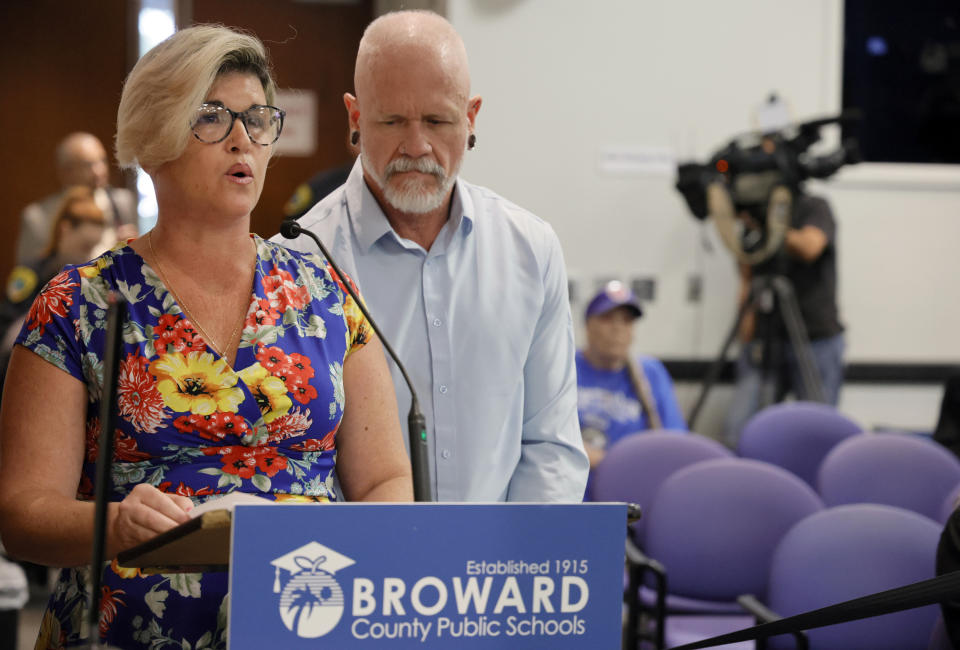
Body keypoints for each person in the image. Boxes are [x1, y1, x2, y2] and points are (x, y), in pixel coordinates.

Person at [0, 25, 412, 648]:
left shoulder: (327, 296)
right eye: (212, 117)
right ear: (151, 138)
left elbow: (385, 481)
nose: (243, 138)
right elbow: (22, 514)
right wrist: (114, 525)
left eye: (257, 119)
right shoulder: (78, 304)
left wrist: (355, 566)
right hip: (129, 627)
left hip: (307, 620)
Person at [276, 10, 588, 502]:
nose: (417, 146)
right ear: (356, 118)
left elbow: (550, 445)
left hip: (497, 571)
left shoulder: (531, 249)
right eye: (393, 120)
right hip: (359, 567)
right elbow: (294, 456)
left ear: (470, 119)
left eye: (438, 120)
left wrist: (513, 569)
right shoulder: (297, 262)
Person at [723, 191, 846, 447]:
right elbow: (746, 281)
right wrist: (746, 342)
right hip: (767, 339)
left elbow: (810, 247)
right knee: (741, 428)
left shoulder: (813, 206)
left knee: (818, 432)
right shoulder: (751, 227)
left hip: (816, 339)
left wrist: (771, 226)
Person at [0, 186, 108, 394]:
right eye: (86, 246)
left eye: (95, 247)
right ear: (65, 229)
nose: (90, 255)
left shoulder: (95, 280)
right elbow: (6, 331)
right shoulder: (30, 273)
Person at [576, 281, 686, 473]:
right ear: (588, 325)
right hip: (572, 489)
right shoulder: (564, 367)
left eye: (626, 321)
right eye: (607, 318)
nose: (617, 329)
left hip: (629, 485)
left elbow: (674, 442)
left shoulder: (649, 373)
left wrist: (609, 462)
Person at [16, 131, 139, 265]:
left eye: (102, 161)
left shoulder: (124, 201)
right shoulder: (37, 217)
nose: (99, 171)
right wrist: (64, 256)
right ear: (66, 172)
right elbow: (27, 274)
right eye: (88, 165)